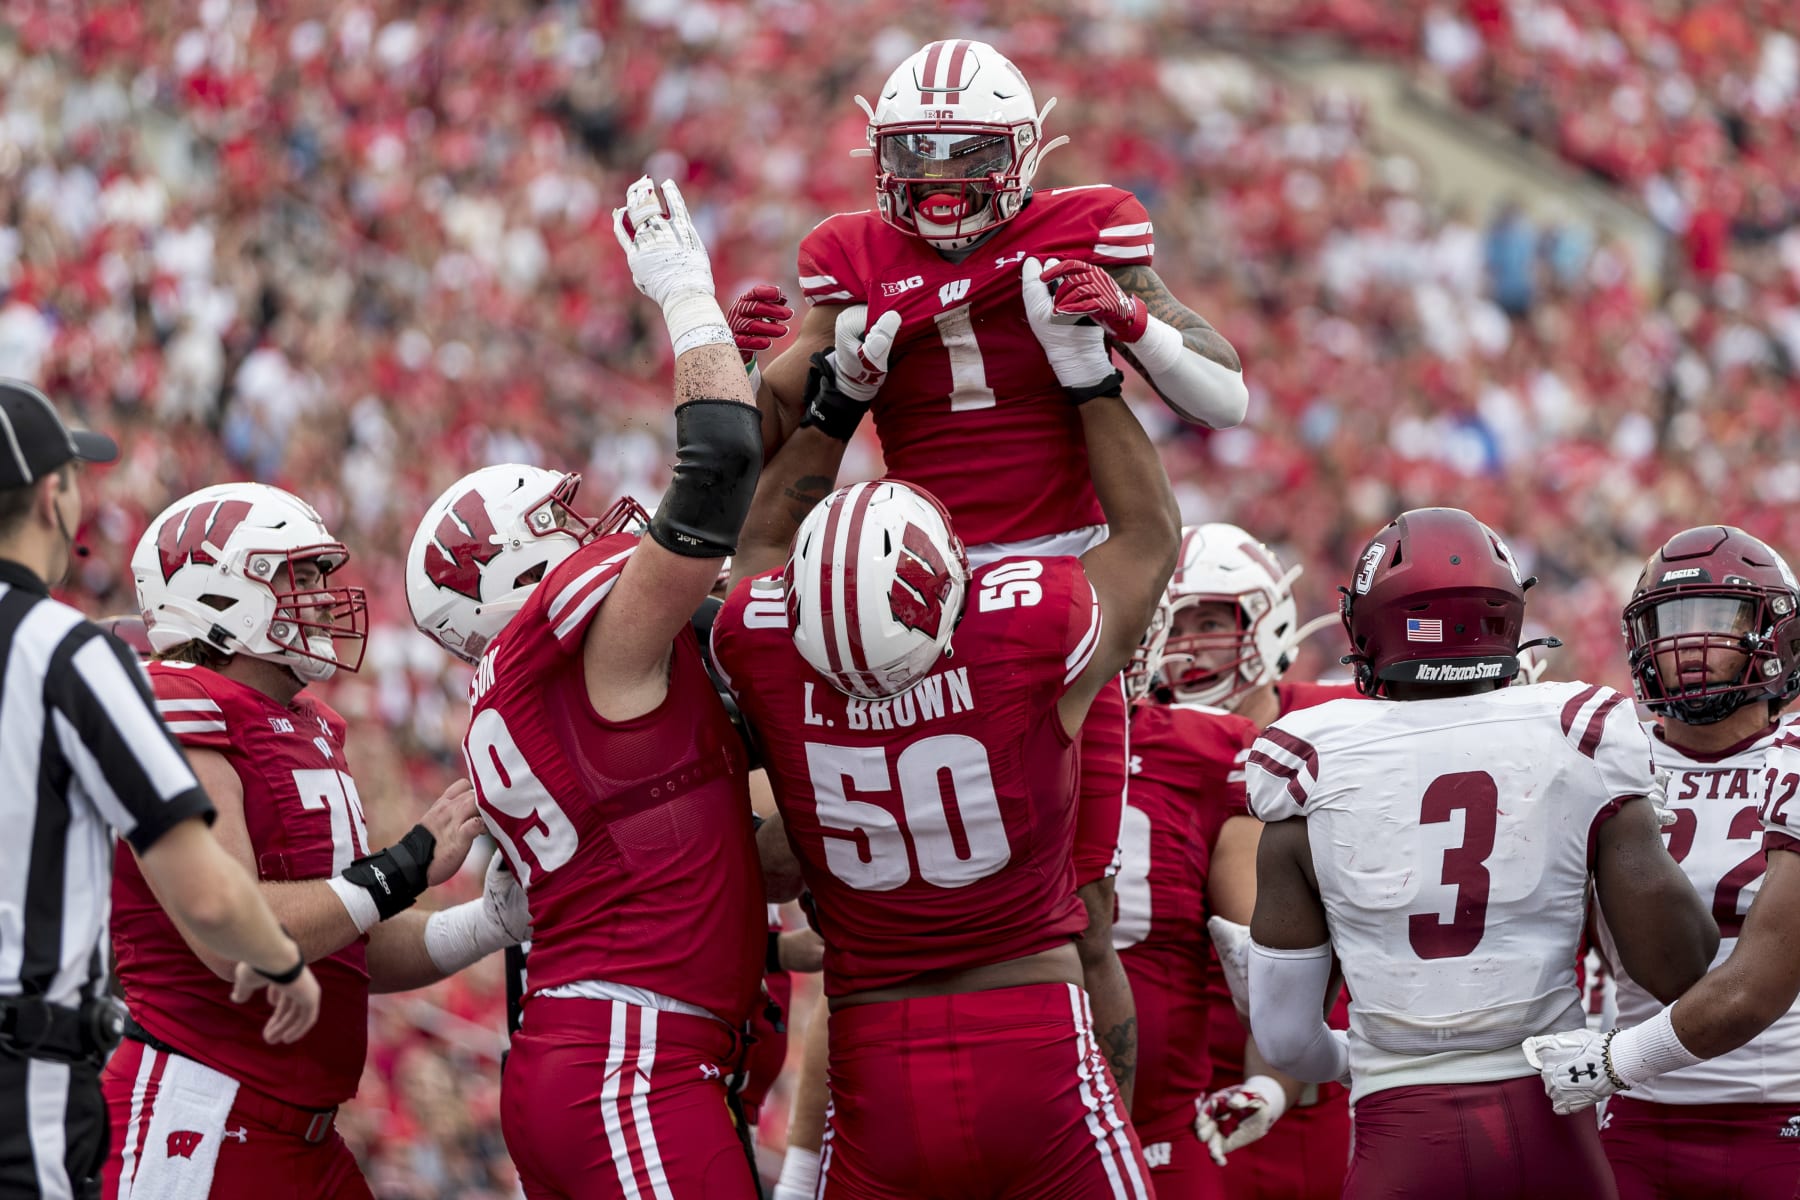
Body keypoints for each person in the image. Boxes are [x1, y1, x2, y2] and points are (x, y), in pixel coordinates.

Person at [757, 38, 1251, 1111]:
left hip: (1067, 575)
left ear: (1025, 151)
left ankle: (1101, 1130)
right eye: (915, 153)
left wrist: (1130, 328)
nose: (937, 178)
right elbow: (770, 433)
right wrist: (783, 370)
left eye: (963, 151)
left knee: (1085, 898)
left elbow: (1224, 395)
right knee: (875, 912)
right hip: (908, 601)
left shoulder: (1091, 226)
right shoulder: (846, 252)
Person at [710, 255, 1179, 1198]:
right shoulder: (1024, 628)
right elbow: (1151, 536)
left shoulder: (764, 646)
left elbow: (757, 546)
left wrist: (835, 409)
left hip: (872, 1053)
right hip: (1034, 1035)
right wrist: (1088, 376)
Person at [405, 176, 768, 1199]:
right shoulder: (587, 651)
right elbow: (718, 475)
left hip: (595, 1046)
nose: (591, 530)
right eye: (556, 527)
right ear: (521, 573)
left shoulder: (533, 688)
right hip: (631, 1060)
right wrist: (683, 294)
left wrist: (731, 369)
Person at [1248, 507, 1718, 1200]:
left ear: (1369, 623)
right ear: (1505, 617)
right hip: (1549, 1124)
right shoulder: (1578, 733)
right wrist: (1626, 822)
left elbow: (1286, 1040)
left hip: (1398, 1137)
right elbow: (1680, 967)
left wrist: (1365, 1059)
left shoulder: (1311, 761)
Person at [102, 481, 521, 1200]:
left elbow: (345, 943)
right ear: (218, 593)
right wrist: (409, 861)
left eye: (322, 576)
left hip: (301, 1130)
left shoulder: (303, 724)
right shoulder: (178, 701)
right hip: (200, 1112)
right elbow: (232, 934)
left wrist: (487, 923)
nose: (325, 596)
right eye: (298, 576)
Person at [0, 381, 320, 1200]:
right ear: (51, 496)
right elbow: (204, 886)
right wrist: (281, 959)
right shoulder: (63, 653)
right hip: (21, 1058)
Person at [1525, 529, 1800, 1193]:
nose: (1690, 646)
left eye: (1719, 622)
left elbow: (1762, 977)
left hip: (1782, 1112)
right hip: (1640, 1119)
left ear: (1777, 636)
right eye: (1671, 624)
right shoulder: (1604, 751)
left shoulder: (1793, 755)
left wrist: (1614, 1059)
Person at [1144, 524, 1358, 1197]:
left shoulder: (1343, 723)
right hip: (1179, 1090)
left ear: (1269, 618)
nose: (1186, 646)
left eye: (1208, 619)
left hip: (1311, 1078)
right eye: (1171, 624)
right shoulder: (1136, 740)